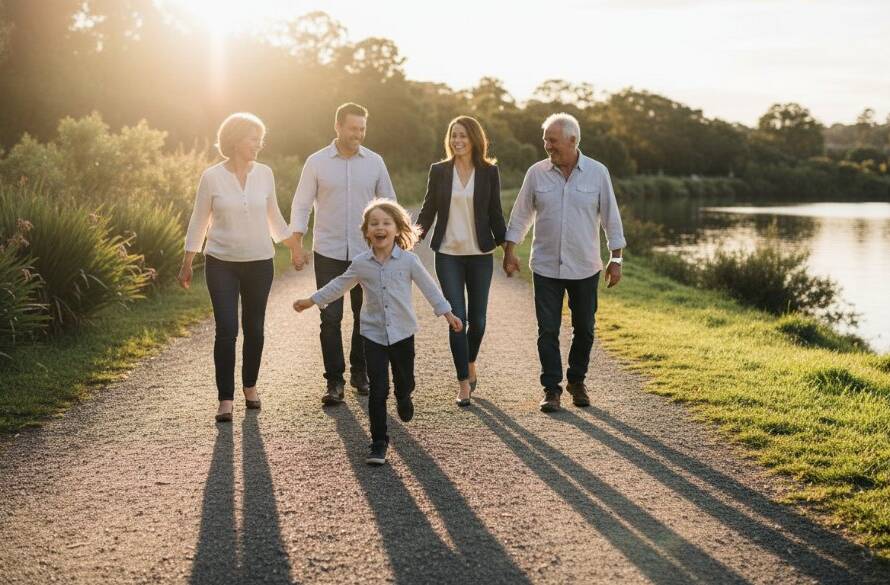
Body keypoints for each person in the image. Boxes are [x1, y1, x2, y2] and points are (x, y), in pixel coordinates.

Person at [293, 199, 462, 465]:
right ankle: (379, 442)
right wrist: (312, 300)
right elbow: (339, 285)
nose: (380, 227)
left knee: (404, 381)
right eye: (374, 224)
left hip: (403, 333)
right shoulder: (361, 263)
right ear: (366, 232)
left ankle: (404, 396)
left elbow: (430, 288)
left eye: (386, 223)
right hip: (372, 335)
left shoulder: (409, 261)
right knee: (378, 389)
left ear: (397, 229)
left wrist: (448, 313)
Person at [179, 112, 298, 422]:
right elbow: (199, 220)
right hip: (221, 263)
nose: (258, 145)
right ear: (234, 140)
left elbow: (274, 216)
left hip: (260, 261)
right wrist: (188, 261)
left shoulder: (265, 174)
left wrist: (294, 246)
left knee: (255, 329)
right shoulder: (212, 177)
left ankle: (250, 386)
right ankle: (225, 399)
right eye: (252, 139)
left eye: (260, 140)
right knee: (227, 329)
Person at [502, 113, 626, 413]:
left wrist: (616, 258)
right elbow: (521, 215)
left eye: (552, 140)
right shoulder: (536, 173)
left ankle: (577, 380)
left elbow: (611, 216)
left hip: (584, 266)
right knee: (548, 329)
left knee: (585, 328)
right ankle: (551, 388)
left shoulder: (597, 173)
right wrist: (509, 251)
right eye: (545, 139)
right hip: (545, 266)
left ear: (573, 140)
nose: (547, 145)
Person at [289, 103, 397, 405]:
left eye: (362, 129)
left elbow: (389, 204)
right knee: (330, 317)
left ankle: (359, 373)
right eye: (353, 128)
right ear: (338, 127)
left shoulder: (375, 162)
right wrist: (296, 244)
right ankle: (334, 381)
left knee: (365, 315)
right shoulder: (316, 162)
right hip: (329, 251)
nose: (358, 135)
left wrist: (392, 244)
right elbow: (301, 204)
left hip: (368, 253)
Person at [417, 115, 506, 407]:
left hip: (480, 255)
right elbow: (428, 209)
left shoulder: (489, 172)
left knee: (478, 322)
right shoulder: (440, 171)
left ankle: (470, 361)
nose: (457, 141)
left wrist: (509, 249)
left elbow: (495, 213)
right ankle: (463, 383)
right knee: (457, 320)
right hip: (448, 255)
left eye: (463, 136)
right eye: (454, 135)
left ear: (474, 140)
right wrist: (410, 238)